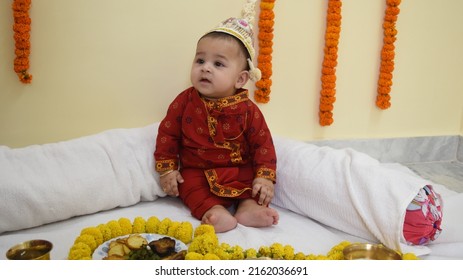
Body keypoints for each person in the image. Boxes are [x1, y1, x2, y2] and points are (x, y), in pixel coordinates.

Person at [154, 13, 278, 233]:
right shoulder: (184, 101)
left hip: (238, 169)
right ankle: (214, 211)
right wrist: (168, 170)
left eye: (218, 64)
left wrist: (264, 177)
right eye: (200, 60)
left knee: (252, 184)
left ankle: (248, 207)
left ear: (240, 79)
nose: (206, 68)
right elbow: (167, 134)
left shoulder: (249, 110)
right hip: (198, 170)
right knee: (189, 186)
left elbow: (263, 144)